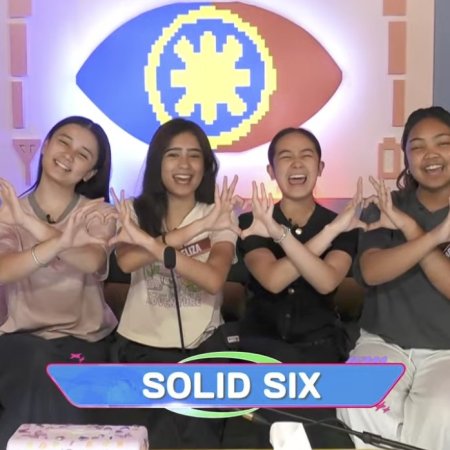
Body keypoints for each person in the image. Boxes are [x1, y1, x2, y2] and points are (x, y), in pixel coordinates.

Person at [110, 118, 240, 448]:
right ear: (158, 161)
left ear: (206, 165)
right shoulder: (133, 212)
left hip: (202, 349)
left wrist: (152, 244)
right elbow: (126, 261)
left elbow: (213, 279)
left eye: (194, 155)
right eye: (173, 154)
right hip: (140, 348)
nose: (184, 165)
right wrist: (193, 231)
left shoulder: (221, 214)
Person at [238, 127, 363, 448]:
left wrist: (284, 234)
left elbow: (326, 281)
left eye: (306, 156)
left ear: (320, 167)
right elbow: (273, 279)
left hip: (318, 351)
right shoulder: (253, 222)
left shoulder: (345, 225)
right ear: (271, 171)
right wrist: (326, 234)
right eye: (286, 157)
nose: (296, 164)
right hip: (259, 351)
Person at [337, 106, 450, 450]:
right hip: (383, 343)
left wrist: (409, 231)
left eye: (443, 143)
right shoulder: (386, 205)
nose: (431, 155)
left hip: (446, 352)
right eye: (418, 147)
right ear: (406, 158)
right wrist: (432, 236)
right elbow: (372, 271)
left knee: (443, 412)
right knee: (357, 393)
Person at [0, 116, 117, 446]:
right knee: (36, 362)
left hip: (84, 341)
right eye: (63, 142)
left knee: (60, 377)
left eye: (83, 154)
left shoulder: (99, 213)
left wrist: (29, 224)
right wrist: (59, 242)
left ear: (90, 173)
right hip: (21, 339)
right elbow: (4, 270)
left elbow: (91, 261)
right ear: (46, 146)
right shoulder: (8, 213)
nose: (68, 155)